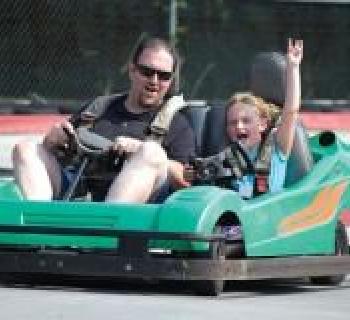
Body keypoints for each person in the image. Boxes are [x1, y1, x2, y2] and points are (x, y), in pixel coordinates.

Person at [12, 37, 195, 203]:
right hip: (81, 187)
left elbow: (184, 179)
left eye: (163, 76)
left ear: (170, 81)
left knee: (151, 152)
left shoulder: (177, 122)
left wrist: (139, 150)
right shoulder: (97, 108)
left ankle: (106, 232)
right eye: (147, 71)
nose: (154, 81)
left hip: (142, 207)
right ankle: (39, 232)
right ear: (132, 70)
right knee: (26, 148)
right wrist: (51, 141)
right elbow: (58, 153)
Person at [187, 39, 303, 199]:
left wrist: (293, 67)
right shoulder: (225, 159)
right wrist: (191, 174)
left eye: (246, 121)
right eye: (232, 123)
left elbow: (291, 111)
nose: (239, 127)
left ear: (263, 124)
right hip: (240, 218)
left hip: (270, 217)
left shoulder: (278, 148)